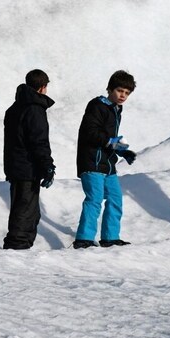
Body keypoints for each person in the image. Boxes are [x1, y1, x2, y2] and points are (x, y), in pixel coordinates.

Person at [73, 70, 138, 249]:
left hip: (107, 163)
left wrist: (123, 151)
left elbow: (108, 137)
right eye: (119, 91)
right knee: (95, 198)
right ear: (110, 89)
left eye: (127, 93)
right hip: (92, 161)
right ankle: (83, 239)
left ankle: (110, 237)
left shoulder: (116, 109)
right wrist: (111, 142)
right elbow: (90, 132)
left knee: (116, 198)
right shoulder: (98, 105)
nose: (123, 95)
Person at [2, 69, 56, 250]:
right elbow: (39, 141)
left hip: (15, 166)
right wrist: (48, 167)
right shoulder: (35, 109)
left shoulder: (14, 108)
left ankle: (19, 246)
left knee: (26, 211)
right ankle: (16, 248)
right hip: (27, 168)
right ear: (43, 87)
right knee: (26, 213)